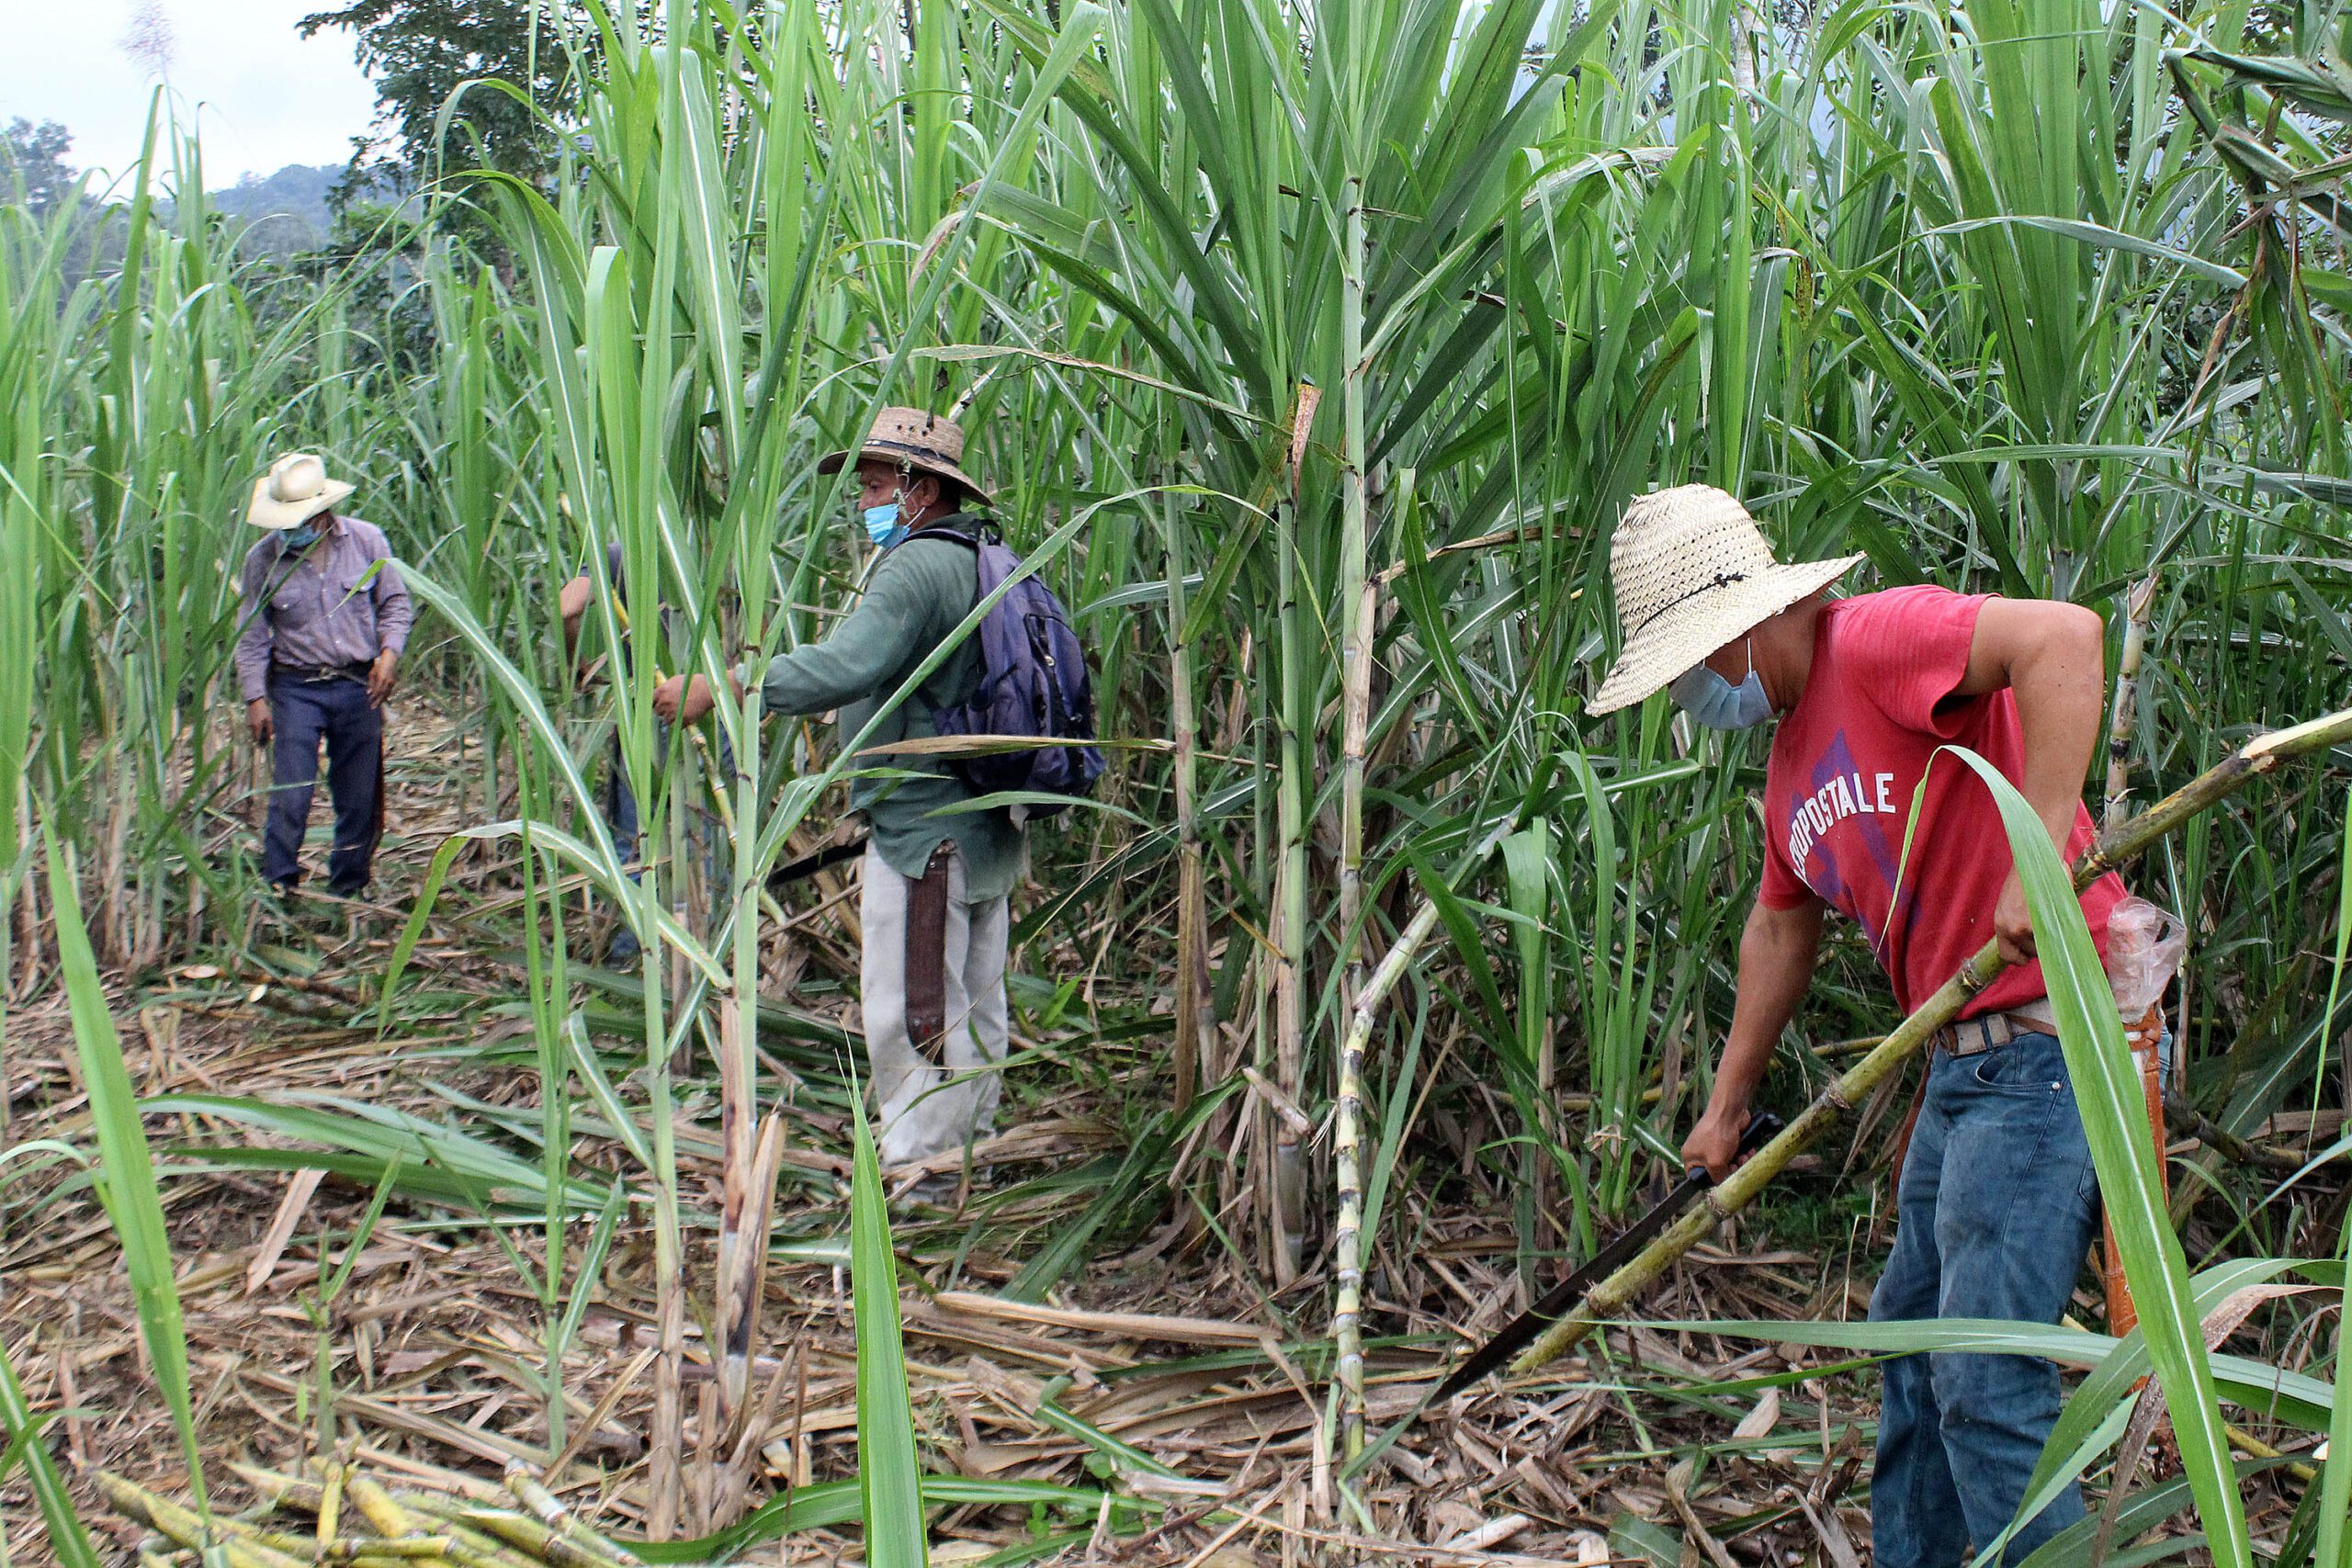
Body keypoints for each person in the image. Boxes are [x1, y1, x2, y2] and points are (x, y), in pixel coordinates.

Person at [1588, 485, 2130, 1567]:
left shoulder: (1875, 640)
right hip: (1964, 1068)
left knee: (1983, 1376)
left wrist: (2036, 853)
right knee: (1910, 1346)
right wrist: (1725, 1106)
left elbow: (2063, 637)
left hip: (2047, 1038)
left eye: (1690, 667)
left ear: (1741, 624)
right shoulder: (1789, 769)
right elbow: (1777, 930)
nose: (1694, 693)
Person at [652, 408, 1023, 1171]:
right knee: (976, 997)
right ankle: (973, 1152)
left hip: (925, 834)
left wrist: (725, 686)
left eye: (877, 486)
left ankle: (922, 1170)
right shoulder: (989, 555)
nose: (863, 502)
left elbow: (848, 664)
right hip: (987, 824)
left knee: (912, 1009)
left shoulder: (916, 566)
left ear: (922, 489)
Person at [235, 452, 412, 901]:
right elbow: (251, 635)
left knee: (357, 793)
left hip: (358, 685)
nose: (291, 528)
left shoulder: (366, 542)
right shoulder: (263, 559)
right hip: (296, 688)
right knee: (291, 793)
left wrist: (388, 655)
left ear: (322, 512)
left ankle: (348, 888)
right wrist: (255, 698)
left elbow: (395, 603)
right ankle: (280, 885)